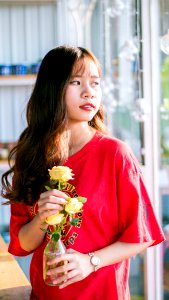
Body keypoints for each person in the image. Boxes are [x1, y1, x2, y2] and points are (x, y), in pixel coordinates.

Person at [1, 45, 165, 300]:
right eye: (76, 82)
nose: (89, 92)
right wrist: (42, 219)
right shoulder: (32, 156)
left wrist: (91, 261)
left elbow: (142, 236)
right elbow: (22, 245)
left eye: (95, 83)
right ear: (52, 89)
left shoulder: (115, 154)